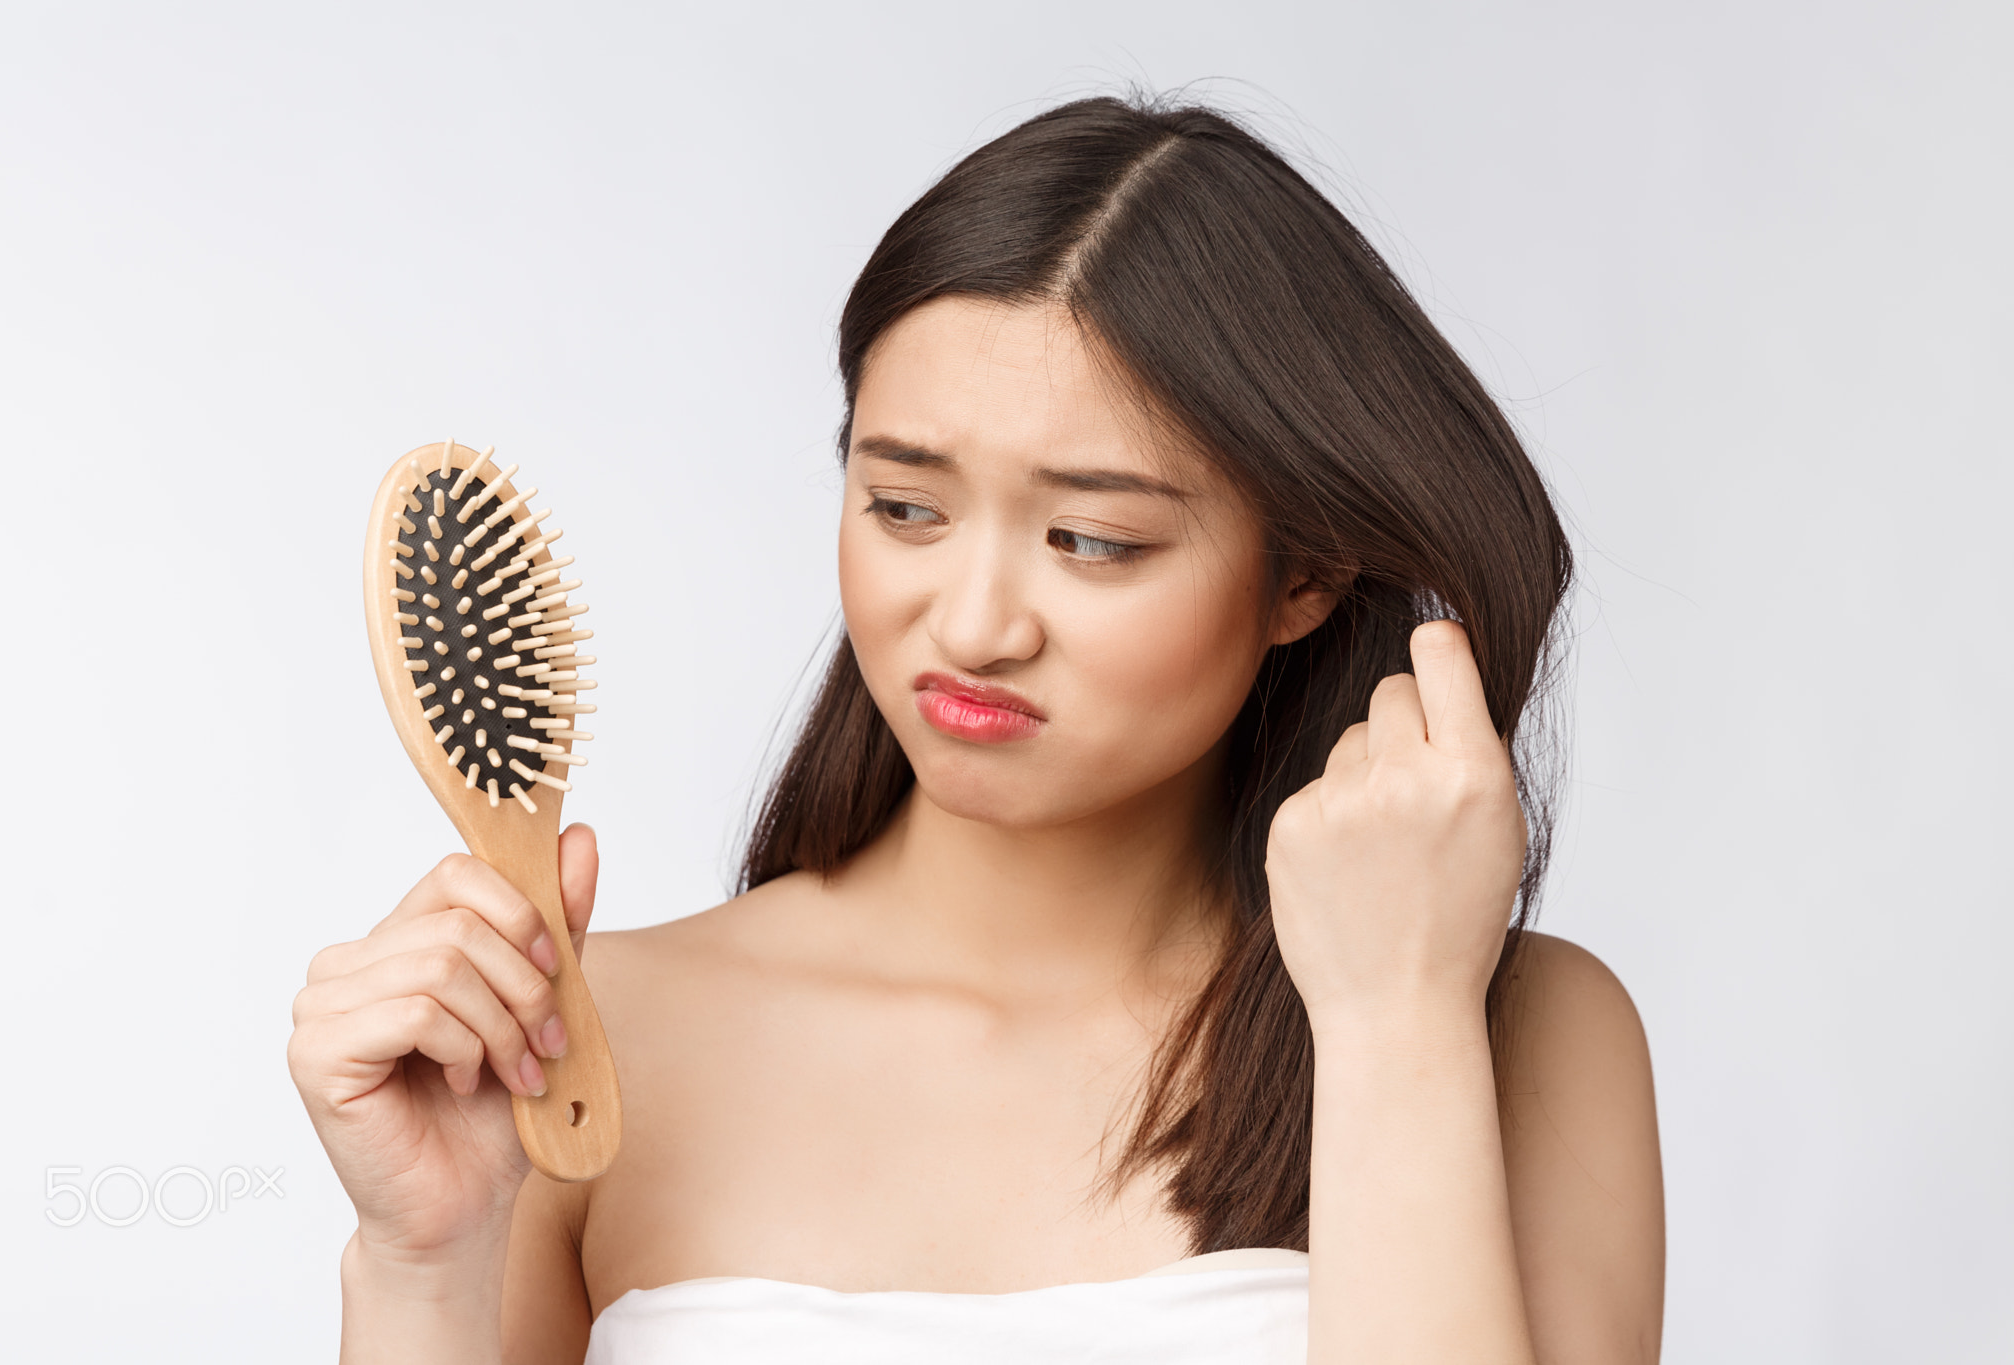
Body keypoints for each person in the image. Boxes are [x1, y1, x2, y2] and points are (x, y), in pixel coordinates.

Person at [289, 95, 1665, 1364]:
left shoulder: (1516, 1031)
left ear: (1302, 575)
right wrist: (424, 1264)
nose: (974, 622)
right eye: (906, 508)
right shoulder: (589, 1043)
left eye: (1092, 538)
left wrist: (1391, 1020)